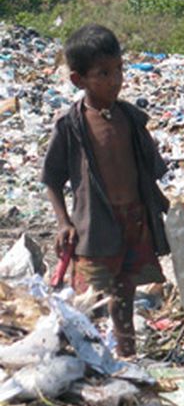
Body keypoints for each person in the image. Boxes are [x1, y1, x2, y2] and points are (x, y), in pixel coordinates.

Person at [41, 23, 170, 358]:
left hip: (134, 221)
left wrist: (169, 207)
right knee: (87, 300)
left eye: (119, 70)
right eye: (104, 73)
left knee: (124, 295)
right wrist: (64, 222)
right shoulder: (71, 126)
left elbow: (147, 172)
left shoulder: (131, 119)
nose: (115, 80)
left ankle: (126, 357)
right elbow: (52, 179)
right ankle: (84, 359)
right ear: (78, 80)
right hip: (95, 227)